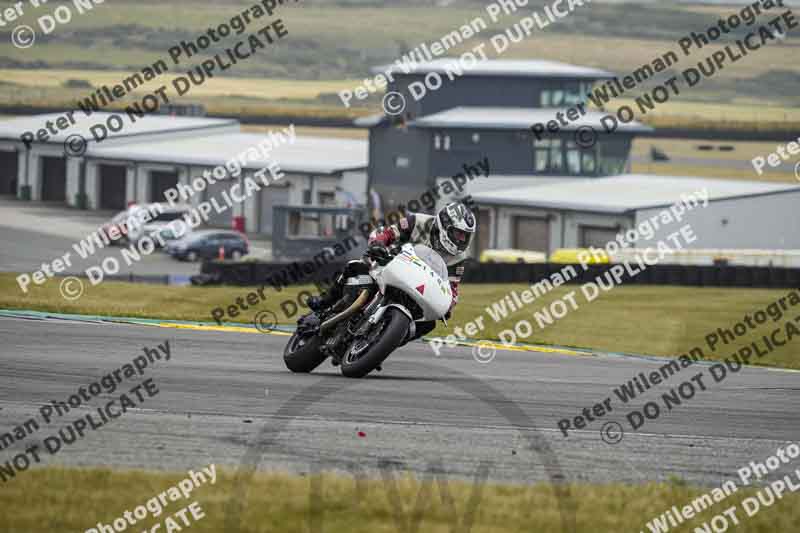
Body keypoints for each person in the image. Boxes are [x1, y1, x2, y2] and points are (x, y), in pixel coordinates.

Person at [307, 201, 476, 339]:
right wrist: (379, 244)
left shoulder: (459, 258)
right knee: (358, 268)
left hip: (418, 282)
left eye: (465, 236)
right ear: (445, 225)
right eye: (459, 234)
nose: (462, 240)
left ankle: (386, 341)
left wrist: (447, 305)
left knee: (428, 323)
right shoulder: (419, 221)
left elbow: (452, 288)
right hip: (391, 260)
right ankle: (325, 302)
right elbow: (390, 232)